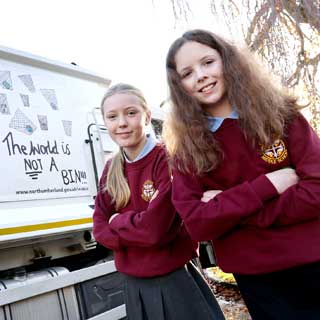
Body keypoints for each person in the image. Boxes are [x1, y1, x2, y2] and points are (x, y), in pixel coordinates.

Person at [163, 29, 320, 320]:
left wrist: (231, 208)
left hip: (314, 261)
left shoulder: (282, 115)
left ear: (227, 61)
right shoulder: (186, 150)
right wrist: (267, 185)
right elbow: (197, 224)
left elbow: (316, 190)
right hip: (258, 281)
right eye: (187, 72)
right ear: (179, 85)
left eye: (207, 62)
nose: (200, 75)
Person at [93, 83, 225, 320]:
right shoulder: (110, 169)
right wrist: (132, 224)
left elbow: (155, 231)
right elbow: (99, 230)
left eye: (131, 113)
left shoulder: (169, 160)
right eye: (112, 116)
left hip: (175, 281)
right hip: (134, 287)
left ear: (147, 116)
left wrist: (117, 220)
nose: (121, 122)